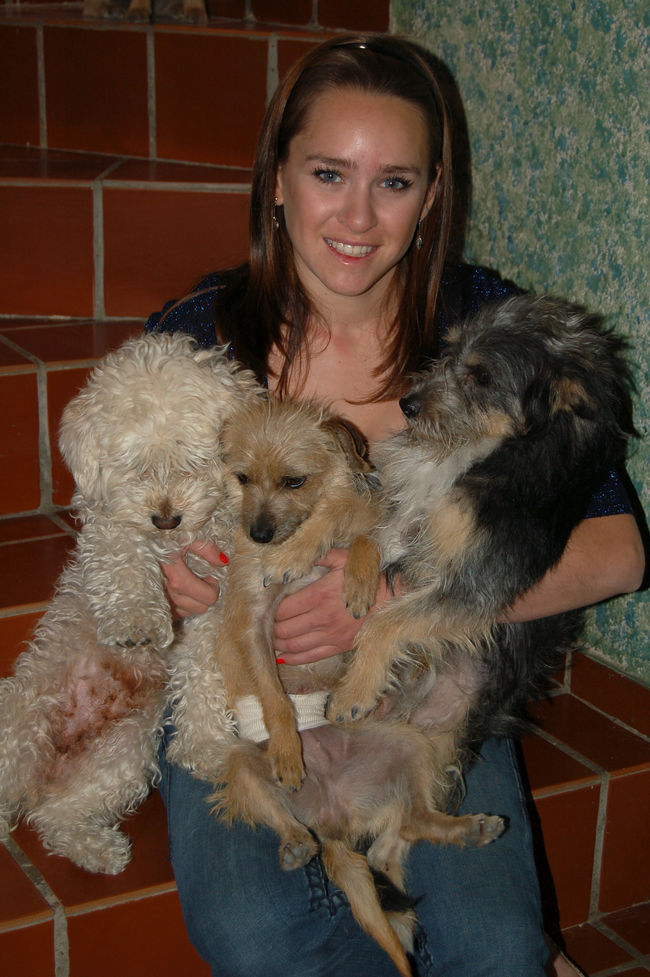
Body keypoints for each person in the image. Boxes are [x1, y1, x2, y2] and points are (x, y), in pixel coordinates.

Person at [146, 34, 645, 976]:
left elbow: (619, 551)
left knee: (495, 950)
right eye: (329, 173)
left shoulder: (483, 323)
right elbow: (123, 520)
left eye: (395, 182)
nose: (359, 217)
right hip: (244, 697)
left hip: (425, 681)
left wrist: (390, 598)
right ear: (277, 179)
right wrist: (169, 576)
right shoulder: (198, 336)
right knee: (260, 937)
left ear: (432, 196)